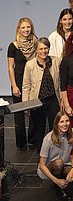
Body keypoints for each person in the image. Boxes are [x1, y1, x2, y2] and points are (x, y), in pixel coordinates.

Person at [22, 38, 61, 151]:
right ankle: (41, 152)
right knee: (39, 128)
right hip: (37, 101)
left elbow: (60, 82)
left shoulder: (56, 61)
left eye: (46, 48)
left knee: (55, 126)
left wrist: (62, 99)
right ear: (36, 50)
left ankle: (54, 150)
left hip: (53, 99)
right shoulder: (30, 65)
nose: (43, 51)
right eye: (41, 49)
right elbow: (26, 86)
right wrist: (26, 105)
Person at [37, 111, 73, 201]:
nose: (65, 124)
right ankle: (58, 188)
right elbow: (42, 165)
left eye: (67, 121)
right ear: (57, 123)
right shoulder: (48, 138)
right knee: (58, 163)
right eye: (61, 122)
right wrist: (56, 180)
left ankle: (62, 178)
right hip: (49, 167)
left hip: (65, 163)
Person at [9, 17, 39, 150]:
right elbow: (11, 67)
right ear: (19, 29)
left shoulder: (36, 43)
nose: (26, 30)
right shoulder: (13, 46)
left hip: (33, 81)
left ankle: (32, 140)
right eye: (23, 27)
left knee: (34, 110)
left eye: (28, 27)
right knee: (19, 114)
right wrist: (14, 85)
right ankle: (21, 142)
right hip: (19, 81)